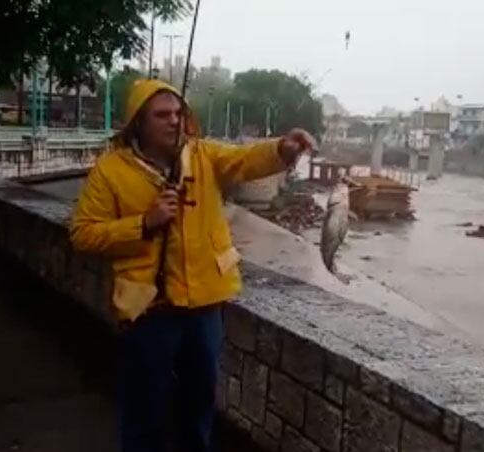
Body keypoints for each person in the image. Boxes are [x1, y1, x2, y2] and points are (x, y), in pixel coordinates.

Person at [69, 78, 315, 452]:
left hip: (204, 308)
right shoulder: (110, 170)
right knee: (144, 410)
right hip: (148, 311)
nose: (174, 121)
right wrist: (143, 224)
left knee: (198, 406)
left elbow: (244, 160)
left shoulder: (203, 156)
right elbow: (83, 234)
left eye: (179, 113)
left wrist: (282, 148)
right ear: (139, 122)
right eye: (162, 115)